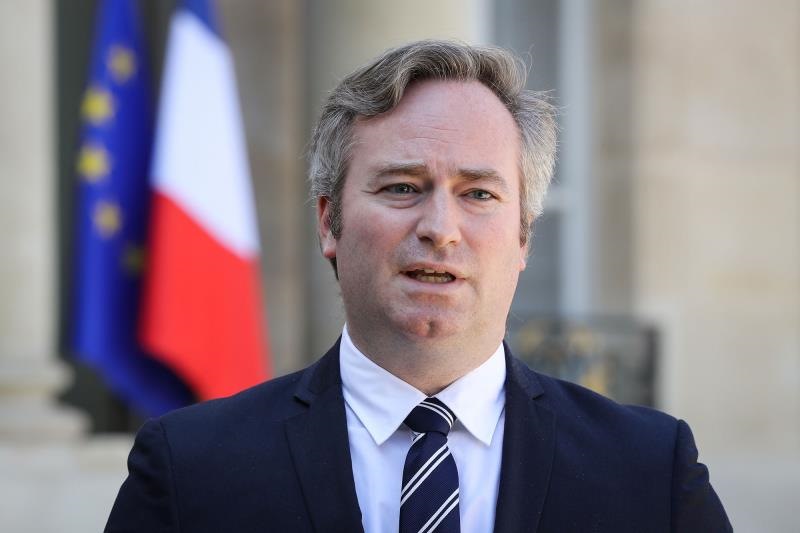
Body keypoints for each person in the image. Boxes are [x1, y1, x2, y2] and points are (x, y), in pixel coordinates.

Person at [105, 40, 731, 532]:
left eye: (478, 193)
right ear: (328, 221)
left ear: (524, 237)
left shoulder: (650, 469)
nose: (440, 228)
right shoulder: (190, 468)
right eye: (402, 187)